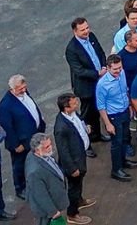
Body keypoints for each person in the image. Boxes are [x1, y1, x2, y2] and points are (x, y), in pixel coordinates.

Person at [0, 74, 45, 201]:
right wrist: (15, 144)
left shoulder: (24, 93)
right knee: (20, 165)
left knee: (35, 160)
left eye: (25, 87)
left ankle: (35, 181)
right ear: (12, 89)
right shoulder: (6, 105)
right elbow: (7, 126)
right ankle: (20, 188)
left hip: (34, 136)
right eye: (20, 89)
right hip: (21, 143)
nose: (24, 90)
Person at [95, 55, 137, 183]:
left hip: (125, 111)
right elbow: (101, 106)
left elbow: (125, 91)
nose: (118, 71)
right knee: (117, 143)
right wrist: (108, 124)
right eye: (115, 69)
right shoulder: (102, 85)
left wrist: (130, 106)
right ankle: (116, 169)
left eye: (120, 68)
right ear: (108, 68)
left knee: (125, 138)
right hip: (114, 116)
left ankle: (123, 161)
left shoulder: (122, 74)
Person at [53, 93, 95, 224]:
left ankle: (79, 200)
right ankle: (72, 214)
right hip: (73, 162)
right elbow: (63, 151)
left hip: (80, 155)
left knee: (79, 183)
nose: (77, 104)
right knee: (73, 187)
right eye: (74, 103)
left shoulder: (73, 114)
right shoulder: (61, 127)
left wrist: (85, 127)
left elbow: (80, 120)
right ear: (66, 108)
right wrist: (72, 168)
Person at [64, 18, 107, 143]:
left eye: (87, 28)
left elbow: (100, 52)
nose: (86, 31)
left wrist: (104, 66)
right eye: (82, 30)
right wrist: (97, 73)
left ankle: (97, 135)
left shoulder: (91, 37)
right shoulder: (71, 49)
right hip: (86, 87)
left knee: (97, 110)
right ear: (75, 31)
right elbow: (79, 71)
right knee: (88, 115)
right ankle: (87, 142)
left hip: (100, 81)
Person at [24, 134, 69, 225]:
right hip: (48, 212)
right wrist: (53, 212)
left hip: (56, 201)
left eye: (50, 144)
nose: (50, 148)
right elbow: (40, 195)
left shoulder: (41, 154)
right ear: (37, 150)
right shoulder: (34, 171)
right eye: (47, 147)